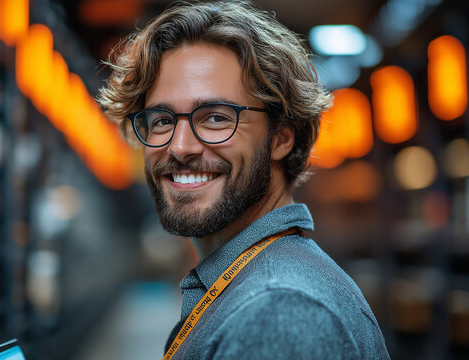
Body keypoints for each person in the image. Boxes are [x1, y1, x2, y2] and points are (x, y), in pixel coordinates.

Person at [98, 1, 390, 359]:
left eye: (216, 118)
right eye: (161, 120)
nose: (180, 146)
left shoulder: (277, 315)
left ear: (283, 137)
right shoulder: (260, 283)